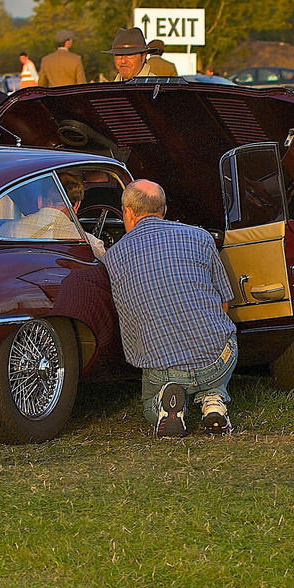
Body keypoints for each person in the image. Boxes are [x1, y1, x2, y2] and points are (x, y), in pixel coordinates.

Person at [102, 180, 239, 437]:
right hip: (216, 360)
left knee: (148, 405)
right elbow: (224, 303)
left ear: (129, 212)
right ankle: (213, 402)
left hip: (162, 368)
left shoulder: (112, 256)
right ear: (163, 209)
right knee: (218, 352)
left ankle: (166, 405)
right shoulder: (201, 237)